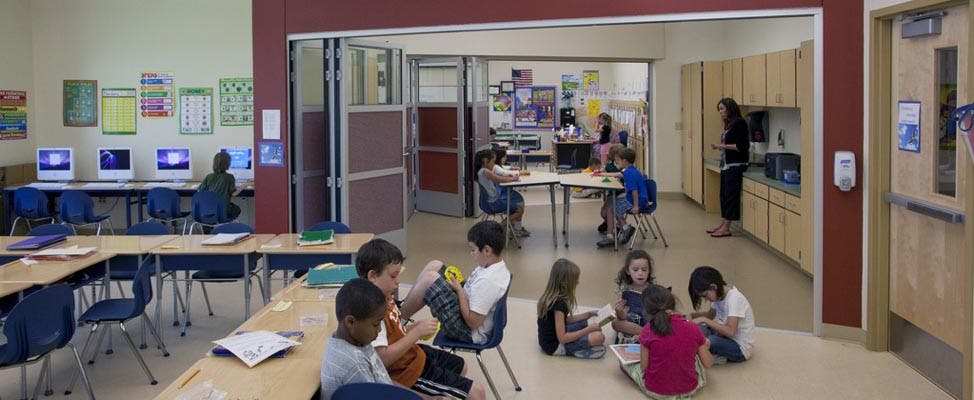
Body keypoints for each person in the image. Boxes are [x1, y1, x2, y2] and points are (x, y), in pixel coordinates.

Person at [355, 238, 487, 400]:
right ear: (372, 276)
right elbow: (382, 358)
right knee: (477, 393)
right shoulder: (372, 312)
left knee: (461, 366)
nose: (398, 281)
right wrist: (416, 332)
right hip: (405, 372)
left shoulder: (384, 294)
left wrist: (411, 329)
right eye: (393, 276)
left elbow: (391, 334)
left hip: (413, 356)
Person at [399, 221, 512, 347]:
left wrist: (459, 291)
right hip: (467, 304)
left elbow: (472, 322)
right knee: (435, 265)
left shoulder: (488, 281)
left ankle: (397, 322)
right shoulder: (493, 265)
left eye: (473, 250)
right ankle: (402, 310)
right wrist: (460, 287)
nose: (472, 254)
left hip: (468, 331)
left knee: (430, 279)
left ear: (486, 250)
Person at [626, 284, 712, 399]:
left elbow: (643, 367)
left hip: (656, 391)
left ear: (647, 310)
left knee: (626, 365)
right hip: (689, 389)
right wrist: (703, 346)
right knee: (695, 355)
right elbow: (708, 363)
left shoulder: (647, 330)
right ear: (673, 304)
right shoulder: (694, 328)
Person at [320, 278, 401, 400]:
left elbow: (383, 380)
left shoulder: (359, 340)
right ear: (350, 322)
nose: (379, 330)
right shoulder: (354, 363)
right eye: (375, 324)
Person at [536, 258, 606, 359]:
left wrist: (586, 315)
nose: (577, 282)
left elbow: (563, 320)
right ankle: (576, 350)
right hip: (554, 346)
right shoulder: (559, 304)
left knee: (589, 321)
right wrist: (587, 330)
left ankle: (584, 337)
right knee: (599, 337)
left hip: (554, 337)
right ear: (565, 283)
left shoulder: (552, 297)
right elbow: (563, 339)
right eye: (575, 279)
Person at [688, 266, 755, 364]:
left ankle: (712, 358)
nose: (706, 299)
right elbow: (709, 316)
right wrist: (691, 315)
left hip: (740, 349)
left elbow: (730, 331)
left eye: (705, 295)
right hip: (724, 337)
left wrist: (703, 320)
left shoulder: (734, 299)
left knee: (707, 341)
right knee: (698, 330)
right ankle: (714, 354)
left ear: (713, 287)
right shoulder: (718, 295)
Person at [707, 98, 750, 238]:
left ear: (730, 108)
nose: (720, 112)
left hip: (736, 165)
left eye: (722, 109)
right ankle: (723, 222)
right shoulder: (729, 125)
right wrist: (722, 147)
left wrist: (722, 146)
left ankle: (726, 228)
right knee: (724, 196)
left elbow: (742, 146)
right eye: (719, 109)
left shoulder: (740, 123)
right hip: (726, 165)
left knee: (731, 196)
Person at [597, 147, 647, 248]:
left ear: (624, 161)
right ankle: (624, 228)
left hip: (636, 201)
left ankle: (611, 236)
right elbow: (617, 174)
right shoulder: (631, 170)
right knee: (614, 205)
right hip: (634, 199)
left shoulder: (629, 173)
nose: (618, 162)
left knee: (611, 208)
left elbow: (634, 191)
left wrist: (636, 206)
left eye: (619, 160)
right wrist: (602, 174)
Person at [474, 149, 529, 237]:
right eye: (493, 161)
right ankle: (498, 227)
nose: (494, 164)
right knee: (520, 208)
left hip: (486, 203)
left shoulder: (480, 172)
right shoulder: (486, 172)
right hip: (493, 203)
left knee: (516, 202)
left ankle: (511, 228)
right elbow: (501, 179)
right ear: (485, 161)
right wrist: (514, 178)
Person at [611, 250, 655, 344]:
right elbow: (622, 316)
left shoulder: (653, 288)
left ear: (649, 271)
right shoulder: (624, 288)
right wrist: (619, 311)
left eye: (644, 270)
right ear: (628, 271)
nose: (640, 273)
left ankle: (642, 335)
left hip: (649, 320)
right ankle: (647, 335)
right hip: (631, 320)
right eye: (635, 270)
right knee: (615, 323)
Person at [198, 151, 243, 220]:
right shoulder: (229, 177)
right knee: (237, 209)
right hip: (224, 211)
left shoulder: (209, 176)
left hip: (208, 210)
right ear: (228, 164)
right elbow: (234, 194)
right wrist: (244, 185)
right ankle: (226, 226)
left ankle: (209, 225)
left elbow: (200, 191)